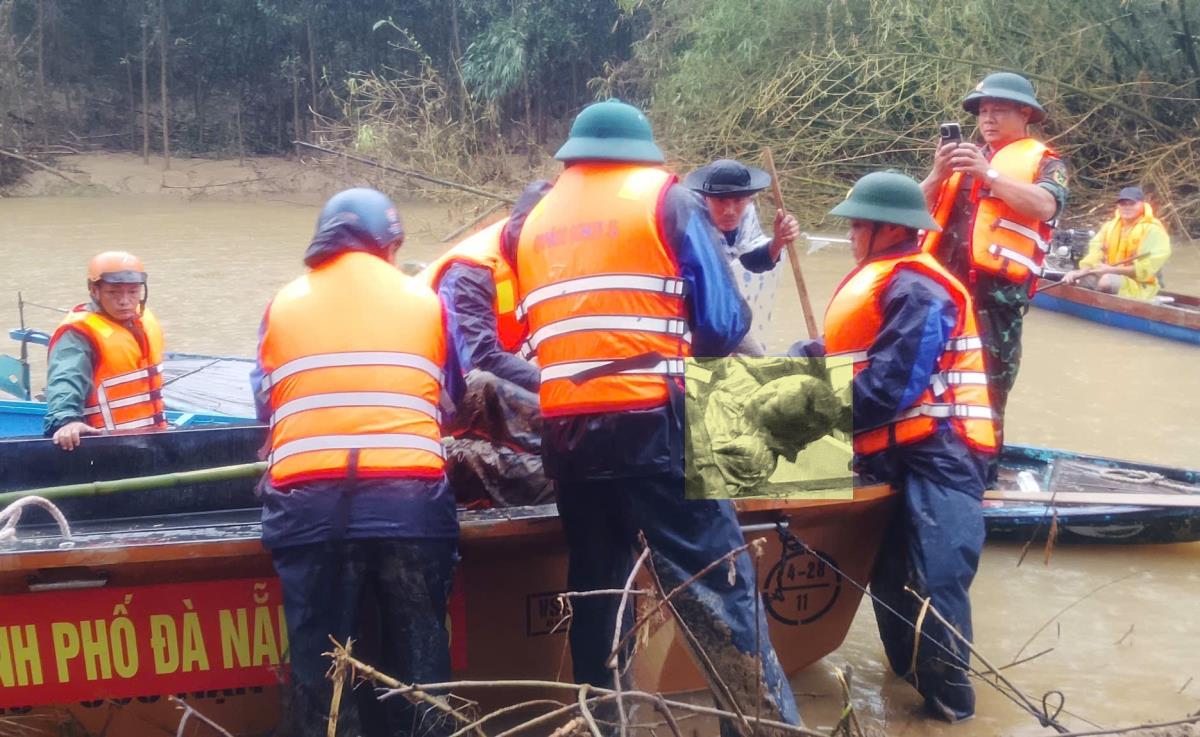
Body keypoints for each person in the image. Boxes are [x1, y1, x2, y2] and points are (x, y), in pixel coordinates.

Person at [507, 100, 801, 734]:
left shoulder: (531, 223)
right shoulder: (667, 201)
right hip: (654, 426)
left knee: (599, 592)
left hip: (568, 437)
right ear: (644, 152)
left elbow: (530, 335)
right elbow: (723, 327)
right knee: (717, 584)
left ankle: (601, 723)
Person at [251, 188, 464, 737]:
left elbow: (265, 405)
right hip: (410, 507)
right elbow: (455, 396)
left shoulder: (282, 304)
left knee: (322, 675)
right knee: (419, 667)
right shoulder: (426, 299)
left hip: (309, 510)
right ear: (389, 244)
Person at [823, 171, 997, 722]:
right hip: (888, 451)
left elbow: (893, 387)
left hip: (942, 453)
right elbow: (849, 357)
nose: (850, 235)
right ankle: (910, 691)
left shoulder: (919, 288)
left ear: (886, 230)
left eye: (857, 226)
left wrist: (806, 410)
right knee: (890, 581)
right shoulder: (881, 281)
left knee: (937, 576)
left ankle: (950, 704)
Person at [920, 72, 1067, 483]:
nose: (988, 119)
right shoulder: (960, 160)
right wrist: (936, 173)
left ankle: (980, 479)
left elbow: (1044, 206)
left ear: (1025, 114)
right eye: (983, 111)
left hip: (994, 303)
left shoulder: (1045, 162)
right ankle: (927, 463)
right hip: (940, 296)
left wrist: (990, 176)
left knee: (984, 393)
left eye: (998, 110)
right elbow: (908, 212)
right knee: (927, 382)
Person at [420, 181, 551, 392]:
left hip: (490, 362)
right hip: (440, 379)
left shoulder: (552, 259)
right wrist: (553, 383)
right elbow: (478, 361)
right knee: (485, 384)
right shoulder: (470, 272)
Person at [44, 251, 166, 450]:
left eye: (133, 292)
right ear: (94, 290)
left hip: (154, 438)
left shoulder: (144, 319)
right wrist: (66, 421)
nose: (125, 301)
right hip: (106, 445)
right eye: (114, 292)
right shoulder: (78, 333)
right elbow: (65, 378)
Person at [684, 158, 800, 355]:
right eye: (721, 201)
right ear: (705, 199)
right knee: (697, 373)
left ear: (749, 199)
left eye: (738, 201)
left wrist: (779, 240)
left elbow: (752, 260)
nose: (730, 211)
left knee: (757, 363)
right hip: (685, 306)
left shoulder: (746, 213)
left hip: (720, 306)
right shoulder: (689, 217)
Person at [1062, 186, 1171, 299]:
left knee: (1106, 281)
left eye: (1132, 204)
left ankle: (1099, 304)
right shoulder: (1109, 226)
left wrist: (1112, 270)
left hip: (1141, 285)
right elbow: (1094, 255)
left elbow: (1144, 270)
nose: (1127, 207)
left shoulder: (1153, 230)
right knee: (1081, 278)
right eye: (1123, 204)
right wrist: (1080, 272)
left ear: (1142, 204)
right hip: (1110, 274)